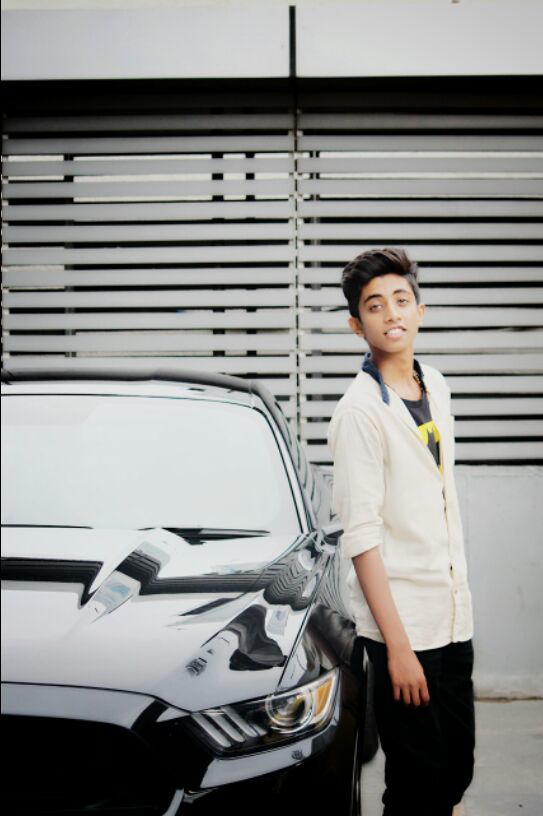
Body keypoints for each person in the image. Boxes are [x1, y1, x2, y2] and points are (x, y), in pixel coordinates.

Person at [327, 248, 475, 816]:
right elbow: (362, 538)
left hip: (452, 615)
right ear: (356, 325)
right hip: (403, 627)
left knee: (455, 768)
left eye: (401, 299)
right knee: (417, 783)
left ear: (419, 310)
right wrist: (399, 651)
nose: (391, 312)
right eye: (374, 305)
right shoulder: (359, 412)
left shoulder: (435, 384)